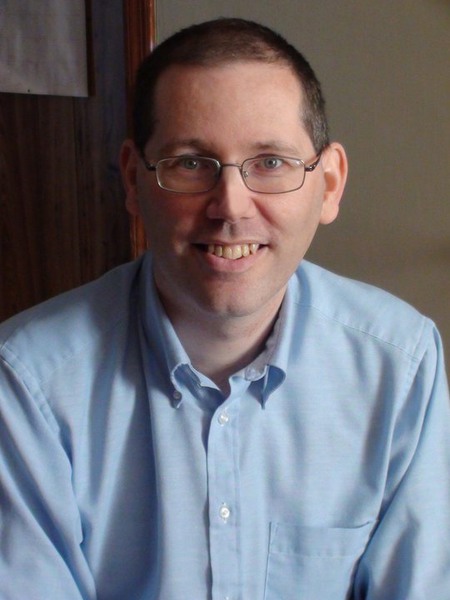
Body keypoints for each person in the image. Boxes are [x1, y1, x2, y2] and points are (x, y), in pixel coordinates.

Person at [0, 17, 449, 600]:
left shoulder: (399, 363)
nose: (231, 207)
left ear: (330, 184)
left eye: (271, 162)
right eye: (191, 163)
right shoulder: (28, 383)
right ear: (134, 180)